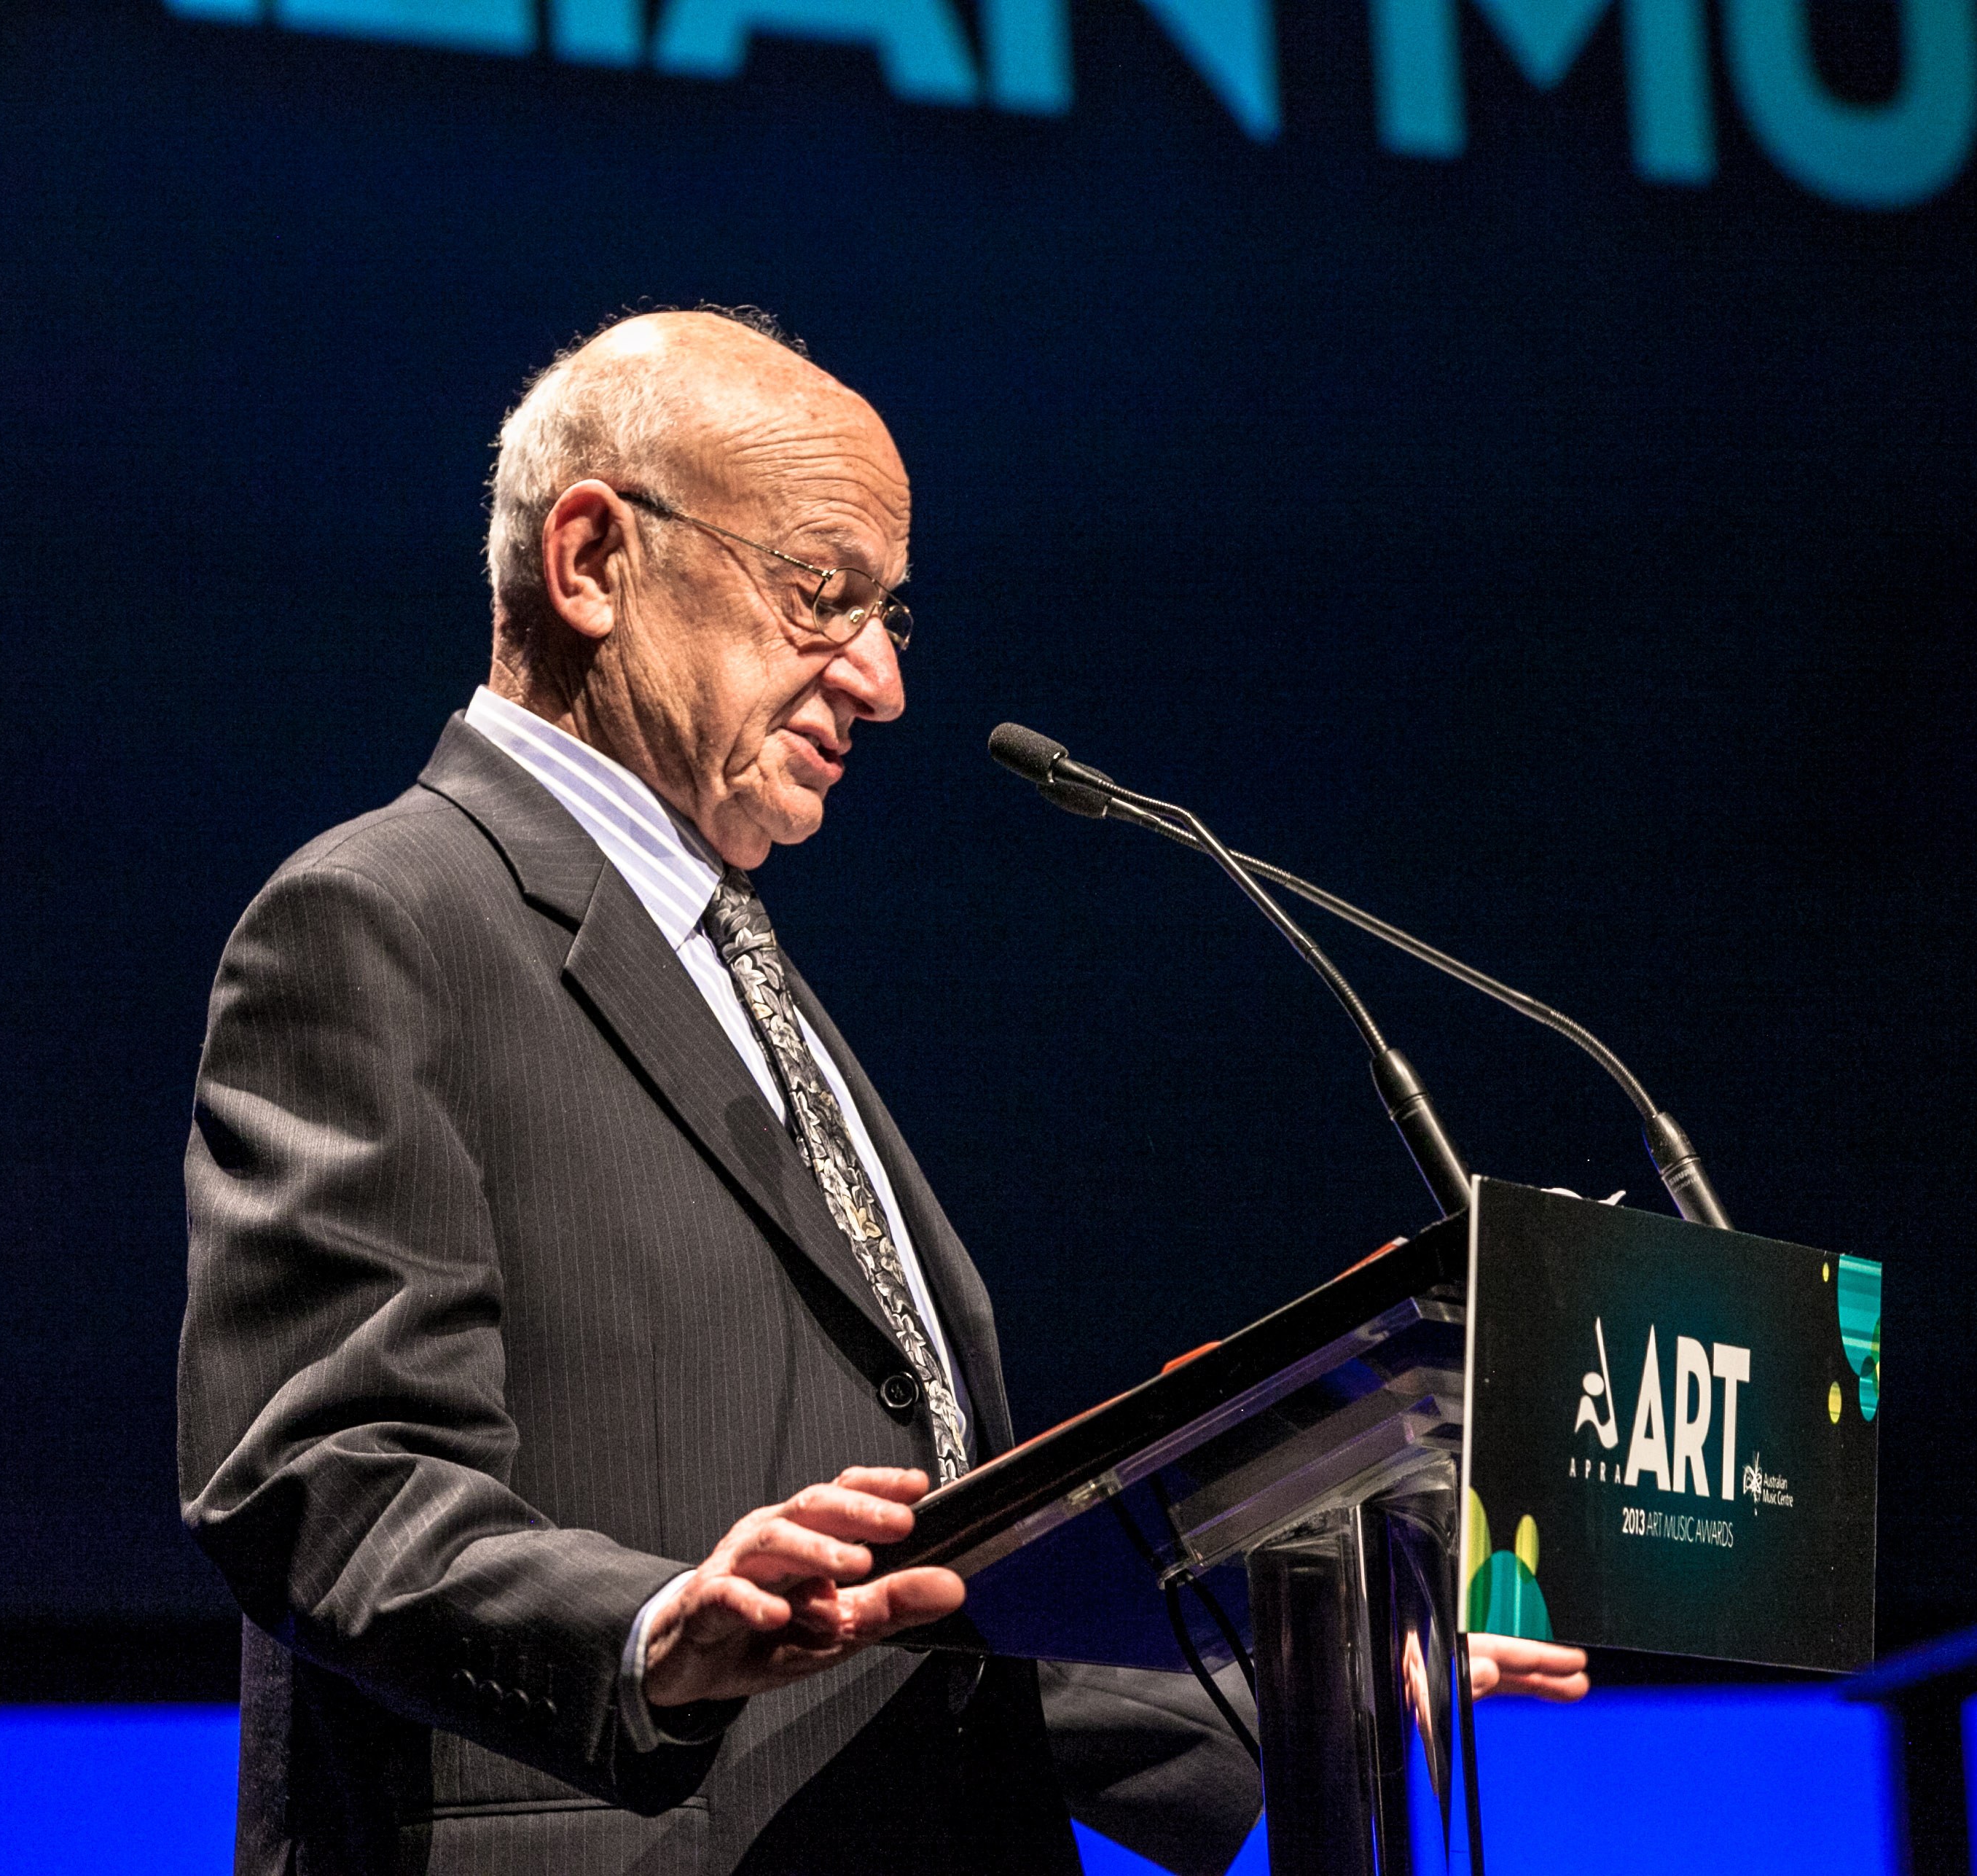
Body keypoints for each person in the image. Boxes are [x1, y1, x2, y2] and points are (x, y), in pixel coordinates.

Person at [177, 307, 1584, 1876]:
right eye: (819, 594)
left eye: (886, 616)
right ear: (589, 562)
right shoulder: (383, 919)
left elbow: (912, 1591)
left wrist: (1286, 1673)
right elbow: (321, 1481)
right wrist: (648, 1633)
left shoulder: (732, 954)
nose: (880, 683)